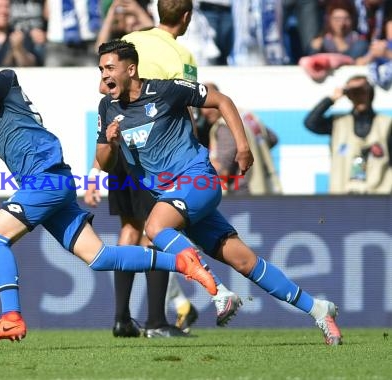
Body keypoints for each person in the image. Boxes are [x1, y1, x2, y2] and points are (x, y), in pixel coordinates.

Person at [0, 30, 218, 343]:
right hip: (51, 181)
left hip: (45, 176)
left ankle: (11, 318)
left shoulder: (2, 80)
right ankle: (183, 263)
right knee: (100, 257)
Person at [95, 39, 343, 346]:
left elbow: (221, 101)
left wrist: (242, 146)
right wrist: (110, 141)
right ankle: (319, 309)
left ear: (130, 69)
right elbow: (105, 164)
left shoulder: (166, 91)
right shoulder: (107, 107)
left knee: (155, 227)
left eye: (109, 68)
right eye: (101, 69)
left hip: (197, 181)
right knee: (245, 262)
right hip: (171, 197)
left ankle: (218, 291)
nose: (104, 76)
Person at [89, 0, 242, 338]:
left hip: (121, 144)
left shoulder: (128, 40)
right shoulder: (181, 54)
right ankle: (157, 320)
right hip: (151, 155)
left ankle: (121, 318)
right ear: (186, 17)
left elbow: (106, 89)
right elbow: (186, 107)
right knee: (154, 231)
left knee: (129, 230)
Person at [304, 74, 392, 194]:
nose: (359, 96)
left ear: (370, 93)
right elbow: (310, 123)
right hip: (342, 197)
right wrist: (332, 99)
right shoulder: (338, 123)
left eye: (362, 91)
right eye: (354, 92)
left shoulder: (386, 124)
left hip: (378, 198)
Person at [200, 82, 282, 195]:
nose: (204, 112)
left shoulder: (224, 126)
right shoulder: (247, 115)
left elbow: (224, 168)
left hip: (243, 191)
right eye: (201, 107)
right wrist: (254, 153)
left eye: (207, 106)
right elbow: (272, 138)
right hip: (264, 184)